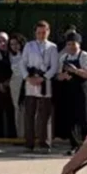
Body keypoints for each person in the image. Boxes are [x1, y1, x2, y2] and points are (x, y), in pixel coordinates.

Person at [53, 31, 87, 155]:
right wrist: (62, 76)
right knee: (70, 119)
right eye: (69, 44)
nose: (71, 47)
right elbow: (57, 75)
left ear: (79, 44)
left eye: (74, 44)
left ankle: (86, 146)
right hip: (68, 91)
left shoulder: (85, 56)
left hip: (82, 90)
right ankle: (74, 145)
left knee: (83, 118)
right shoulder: (63, 57)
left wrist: (75, 71)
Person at [20, 20, 60, 152]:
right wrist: (28, 77)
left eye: (44, 32)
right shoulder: (29, 46)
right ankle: (29, 143)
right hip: (31, 80)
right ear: (35, 33)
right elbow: (22, 63)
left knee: (44, 115)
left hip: (45, 81)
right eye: (39, 33)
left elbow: (54, 66)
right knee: (29, 114)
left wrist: (44, 78)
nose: (41, 35)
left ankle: (44, 142)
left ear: (48, 32)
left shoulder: (52, 47)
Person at [8, 33, 27, 139]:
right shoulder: (11, 56)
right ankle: (19, 135)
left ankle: (26, 134)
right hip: (15, 84)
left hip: (25, 82)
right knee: (17, 109)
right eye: (12, 44)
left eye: (16, 44)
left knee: (26, 109)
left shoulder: (26, 54)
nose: (14, 46)